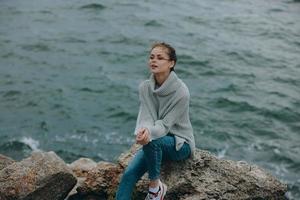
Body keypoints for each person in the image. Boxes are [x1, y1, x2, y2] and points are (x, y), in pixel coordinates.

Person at [116, 42, 195, 200]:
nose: (154, 60)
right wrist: (143, 131)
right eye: (151, 57)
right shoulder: (145, 88)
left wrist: (149, 134)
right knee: (128, 175)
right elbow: (145, 117)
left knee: (152, 141)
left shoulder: (181, 92)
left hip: (180, 144)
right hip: (155, 141)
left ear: (171, 63)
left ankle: (155, 189)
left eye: (160, 58)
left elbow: (165, 125)